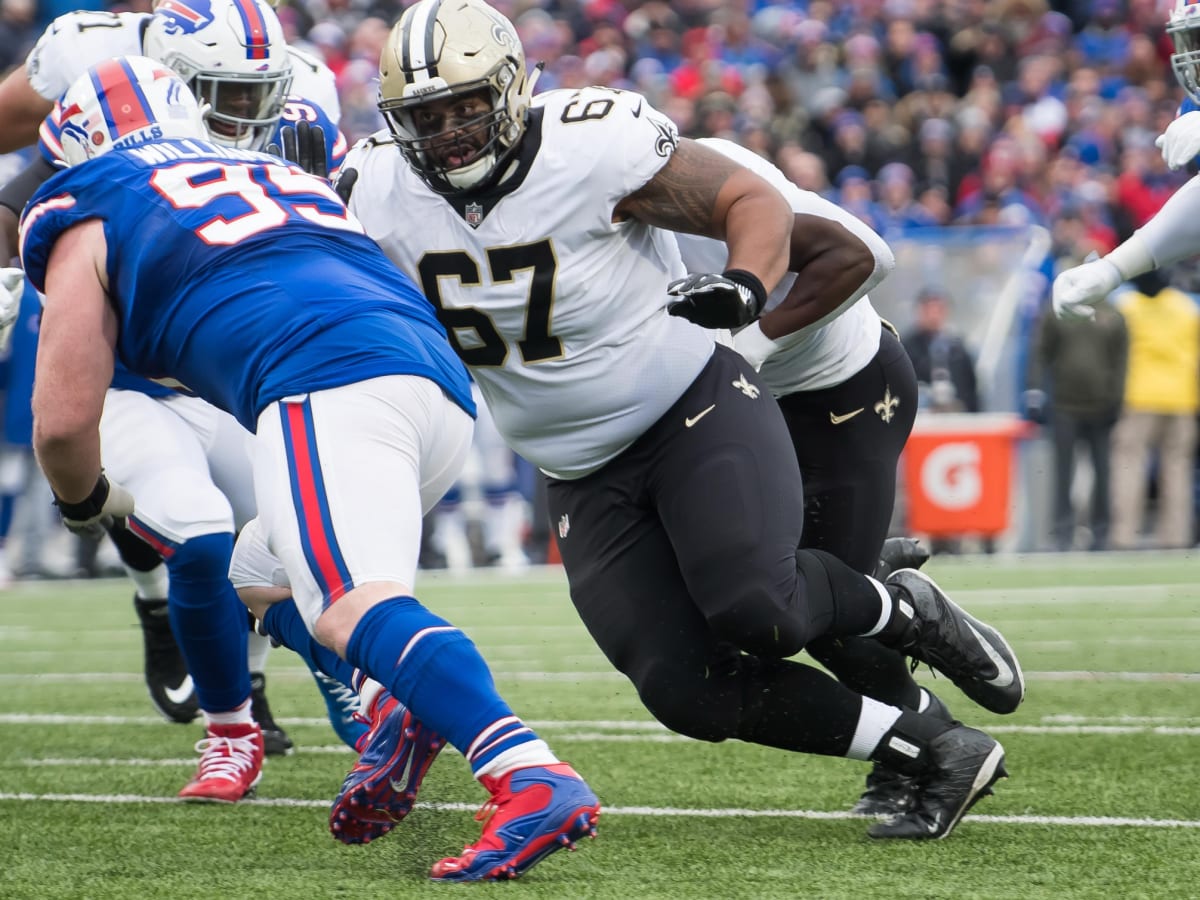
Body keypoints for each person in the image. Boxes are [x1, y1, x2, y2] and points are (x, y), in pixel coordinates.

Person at [330, 0, 1022, 842]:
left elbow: (778, 216)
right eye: (422, 118)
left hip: (718, 396)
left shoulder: (598, 143)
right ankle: (933, 744)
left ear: (511, 90)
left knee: (766, 608)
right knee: (681, 687)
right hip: (578, 462)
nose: (446, 135)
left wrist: (745, 296)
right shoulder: (373, 190)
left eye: (464, 107)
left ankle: (899, 610)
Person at [22, 55, 598, 880]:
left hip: (324, 384)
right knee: (258, 572)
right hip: (433, 386)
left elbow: (64, 421)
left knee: (347, 605)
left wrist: (85, 505)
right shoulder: (267, 166)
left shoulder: (88, 200)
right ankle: (393, 704)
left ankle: (528, 772)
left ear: (76, 143)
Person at [0, 0, 358, 757]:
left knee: (297, 527)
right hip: (127, 342)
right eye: (222, 97)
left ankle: (253, 685)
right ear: (174, 80)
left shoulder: (306, 92)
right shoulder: (97, 64)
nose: (242, 117)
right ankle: (156, 601)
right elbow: (29, 174)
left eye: (257, 95)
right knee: (170, 513)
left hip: (228, 354)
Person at [671, 137, 953, 818]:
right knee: (735, 594)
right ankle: (883, 590)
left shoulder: (696, 181)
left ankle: (920, 737)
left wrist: (752, 341)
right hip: (743, 402)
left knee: (811, 616)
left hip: (841, 389)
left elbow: (864, 254)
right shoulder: (573, 214)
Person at [1024, 293, 1128, 552]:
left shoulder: (1113, 313)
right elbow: (1040, 350)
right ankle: (1062, 532)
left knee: (1103, 471)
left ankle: (1101, 531)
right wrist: (1035, 389)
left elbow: (1122, 360)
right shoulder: (1058, 309)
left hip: (1101, 405)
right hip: (1064, 405)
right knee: (1063, 472)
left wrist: (1117, 397)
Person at [902, 287, 980, 414]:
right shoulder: (906, 348)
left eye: (939, 309)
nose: (934, 315)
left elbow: (971, 389)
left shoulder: (958, 349)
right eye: (928, 310)